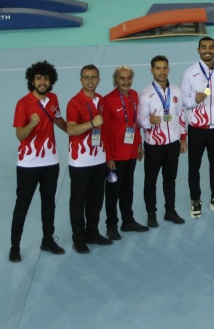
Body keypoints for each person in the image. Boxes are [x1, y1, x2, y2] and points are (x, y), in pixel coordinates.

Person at [10, 61, 67, 262]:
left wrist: (74, 131)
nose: (43, 82)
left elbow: (57, 119)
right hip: (29, 163)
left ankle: (48, 240)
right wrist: (31, 124)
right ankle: (15, 246)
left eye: (46, 79)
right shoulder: (23, 103)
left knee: (48, 203)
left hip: (51, 161)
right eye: (39, 78)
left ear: (51, 81)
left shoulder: (53, 98)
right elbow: (19, 135)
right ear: (32, 81)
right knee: (22, 205)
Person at [180, 37, 214, 218]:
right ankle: (195, 200)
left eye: (211, 47)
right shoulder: (189, 73)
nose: (207, 51)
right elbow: (183, 101)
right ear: (198, 50)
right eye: (204, 47)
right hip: (196, 128)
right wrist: (194, 100)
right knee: (194, 167)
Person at [66, 64, 113, 253]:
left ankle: (92, 232)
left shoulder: (101, 100)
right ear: (81, 80)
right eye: (86, 77)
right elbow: (71, 129)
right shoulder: (74, 102)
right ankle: (78, 238)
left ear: (99, 80)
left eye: (93, 77)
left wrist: (108, 156)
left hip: (99, 159)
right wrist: (91, 123)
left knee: (96, 199)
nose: (90, 80)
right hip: (80, 161)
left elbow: (106, 131)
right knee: (79, 201)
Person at [138, 55, 187, 227]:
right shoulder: (145, 94)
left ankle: (170, 211)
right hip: (154, 145)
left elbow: (180, 115)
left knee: (170, 179)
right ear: (151, 70)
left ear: (169, 69)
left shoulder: (176, 91)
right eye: (158, 68)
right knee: (150, 181)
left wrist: (183, 138)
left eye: (165, 68)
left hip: (173, 144)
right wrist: (149, 121)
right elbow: (139, 121)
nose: (162, 71)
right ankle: (151, 213)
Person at [102, 66, 148, 241]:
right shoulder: (108, 100)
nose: (126, 81)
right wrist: (108, 157)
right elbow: (104, 131)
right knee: (113, 192)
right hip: (115, 156)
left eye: (129, 78)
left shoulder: (134, 95)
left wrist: (139, 145)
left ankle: (127, 221)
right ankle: (111, 225)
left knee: (128, 189)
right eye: (122, 78)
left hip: (131, 153)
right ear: (116, 80)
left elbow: (135, 124)